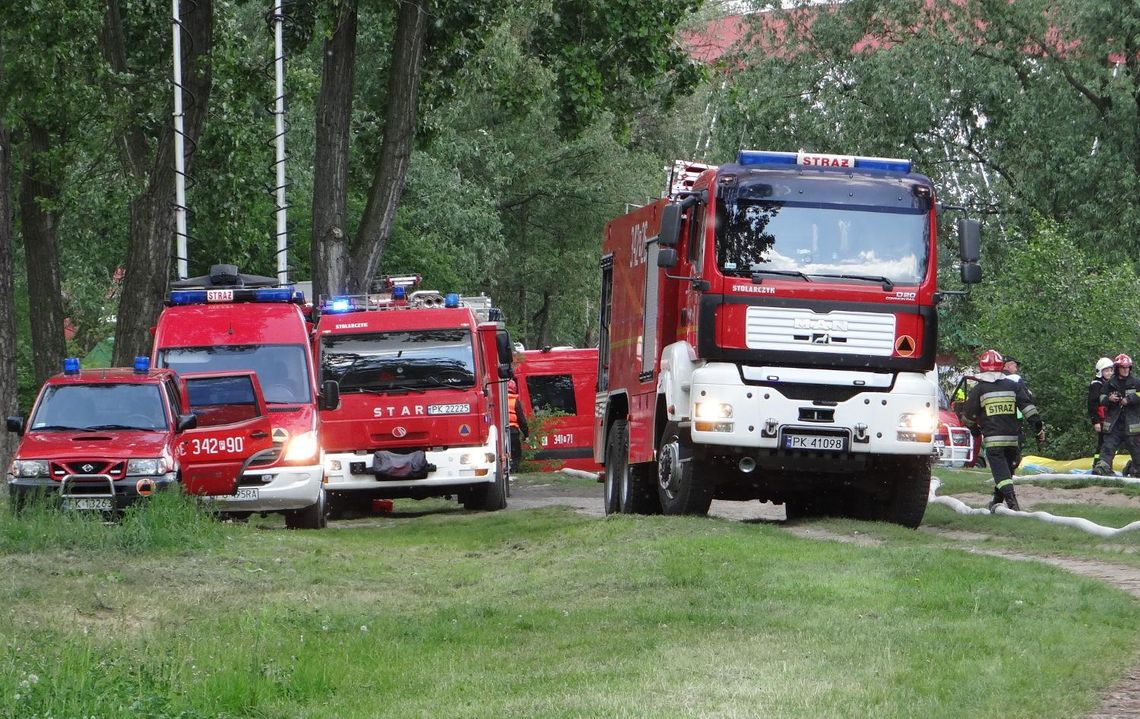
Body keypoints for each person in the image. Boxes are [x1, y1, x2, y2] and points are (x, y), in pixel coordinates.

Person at [962, 349, 1044, 511]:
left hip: (993, 441)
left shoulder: (979, 389)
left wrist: (975, 431)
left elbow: (968, 417)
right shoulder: (1013, 386)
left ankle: (1013, 504)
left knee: (1001, 473)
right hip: (1013, 439)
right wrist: (1038, 430)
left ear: (982, 368)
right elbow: (1029, 410)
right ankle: (997, 500)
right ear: (1001, 366)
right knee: (1007, 470)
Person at [1094, 354, 1140, 477]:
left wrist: (1131, 399)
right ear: (1117, 368)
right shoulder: (1110, 384)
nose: (1126, 370)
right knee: (1107, 448)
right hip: (1114, 425)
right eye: (1123, 367)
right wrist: (1109, 399)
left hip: (1132, 426)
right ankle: (1103, 468)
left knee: (1137, 453)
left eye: (1128, 367)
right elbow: (1101, 397)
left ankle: (1133, 468)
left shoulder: (1136, 382)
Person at [1088, 357, 1113, 467]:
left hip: (1110, 418)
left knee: (1111, 443)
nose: (1109, 373)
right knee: (1102, 443)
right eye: (1106, 370)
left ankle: (1105, 464)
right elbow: (1092, 404)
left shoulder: (1111, 383)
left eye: (1110, 370)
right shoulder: (1096, 385)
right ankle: (1097, 465)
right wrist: (1096, 421)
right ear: (1100, 372)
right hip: (1101, 419)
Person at [506, 379, 528, 473]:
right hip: (513, 431)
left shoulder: (497, 399)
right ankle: (513, 470)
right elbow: (521, 419)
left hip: (501, 431)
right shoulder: (514, 401)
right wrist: (526, 434)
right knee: (516, 454)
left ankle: (506, 468)